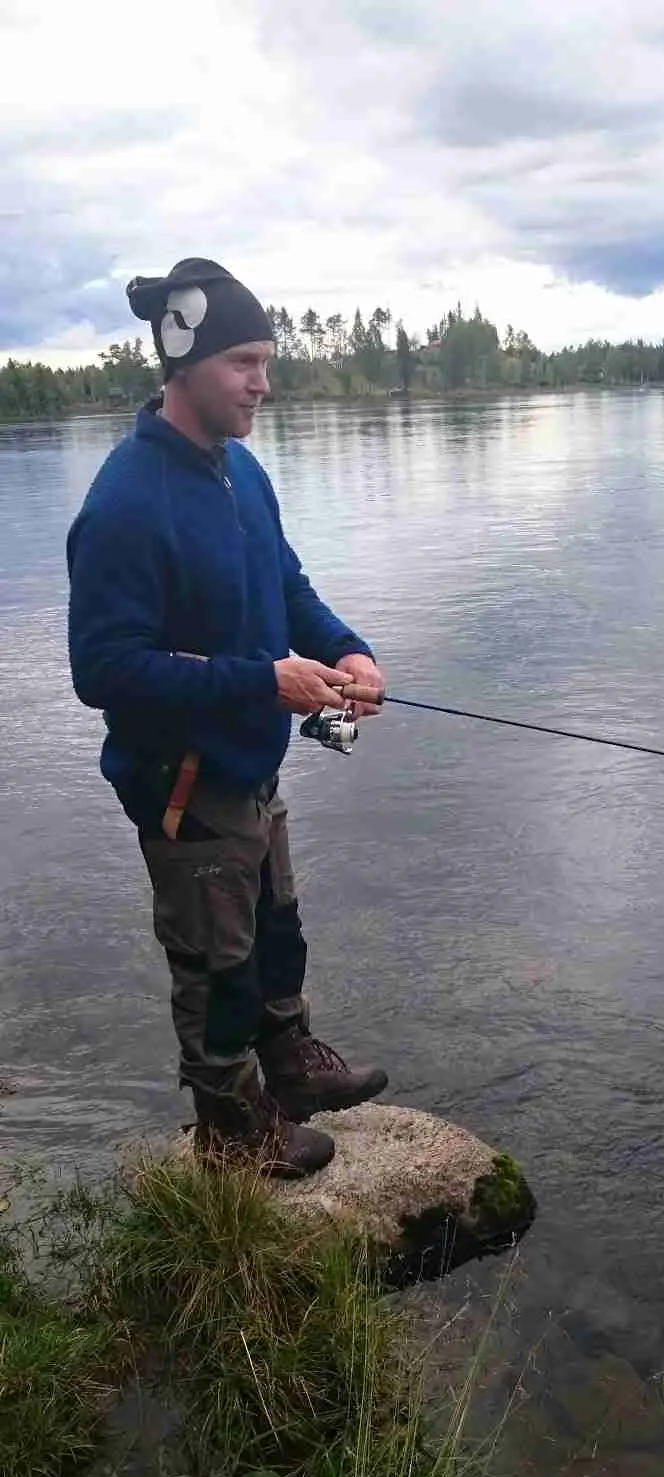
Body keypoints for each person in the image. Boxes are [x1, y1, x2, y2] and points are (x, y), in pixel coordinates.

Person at [66, 258, 388, 1180]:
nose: (264, 382)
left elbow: (284, 587)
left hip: (250, 766)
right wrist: (263, 683)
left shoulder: (241, 472)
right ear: (185, 363)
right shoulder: (125, 503)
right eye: (245, 361)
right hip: (183, 784)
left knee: (275, 927)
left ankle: (289, 1064)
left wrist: (348, 649)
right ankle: (229, 1128)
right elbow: (104, 671)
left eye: (266, 360)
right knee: (215, 965)